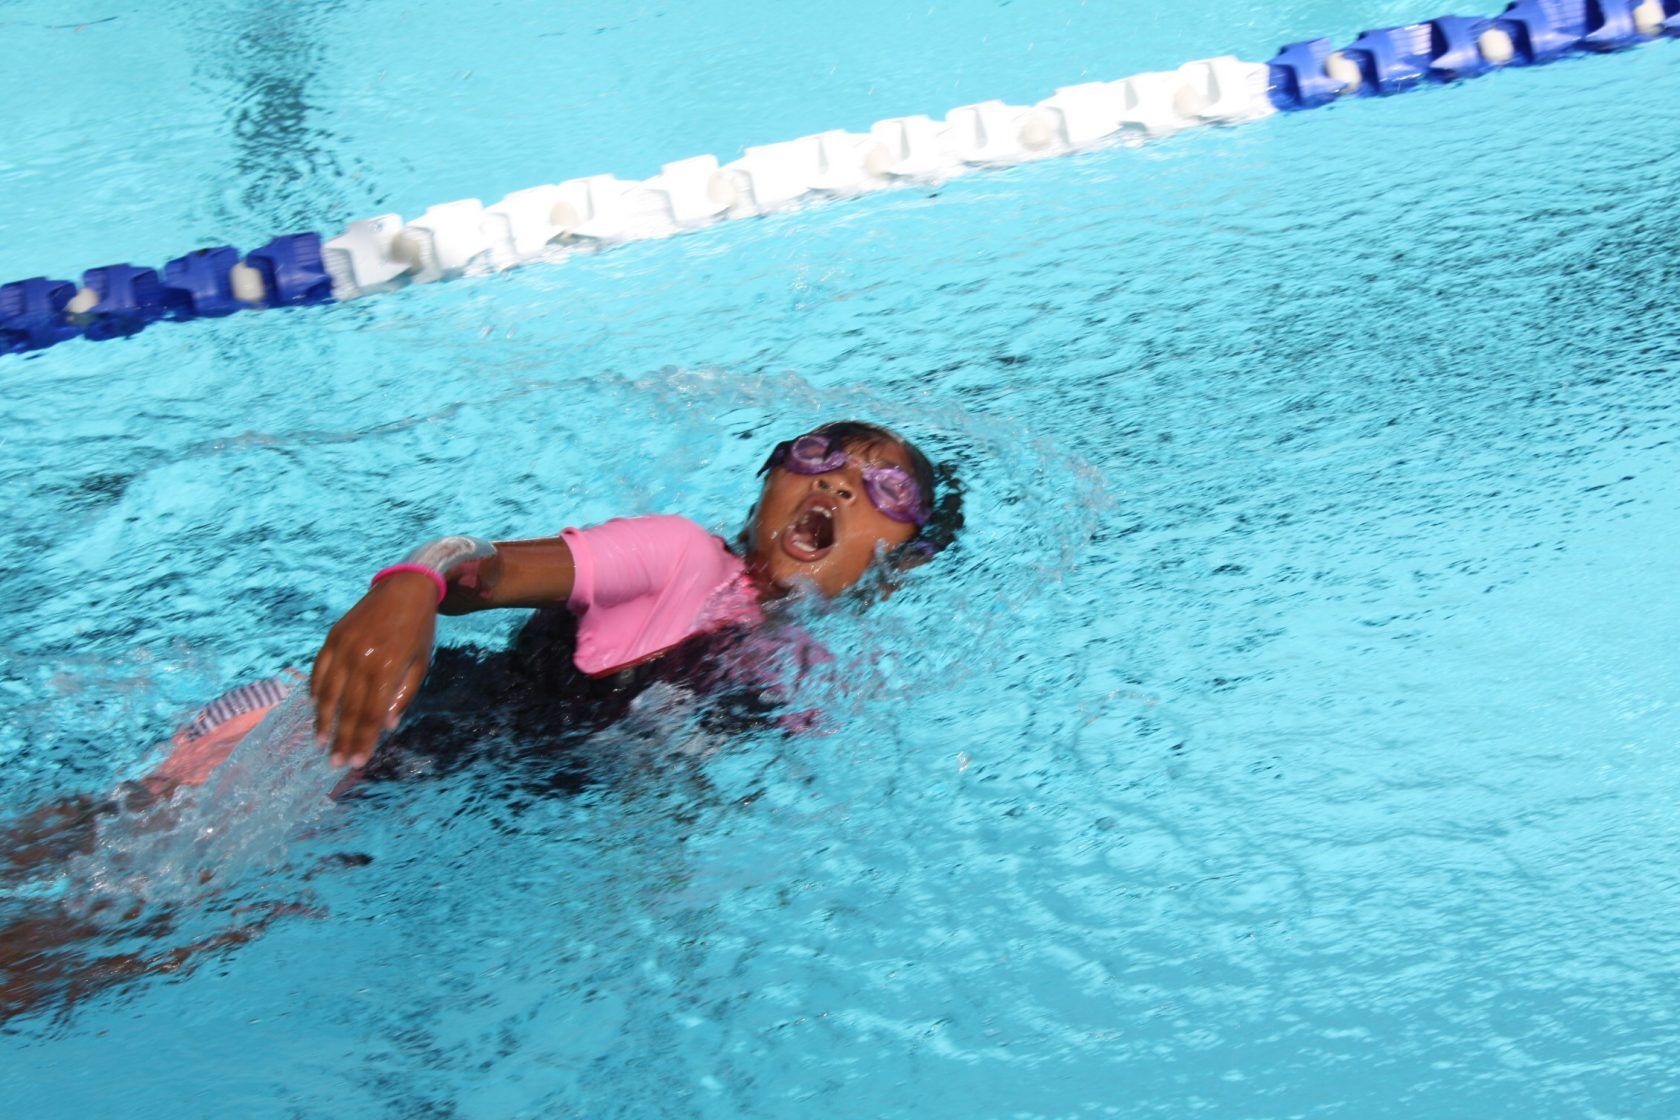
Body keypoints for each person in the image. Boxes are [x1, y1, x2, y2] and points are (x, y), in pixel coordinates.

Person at [151, 420, 963, 789]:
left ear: (892, 571)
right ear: (762, 495)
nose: (838, 480)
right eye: (816, 454)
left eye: (886, 490)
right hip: (349, 720)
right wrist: (411, 585)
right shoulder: (680, 555)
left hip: (405, 783)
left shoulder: (801, 669)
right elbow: (483, 571)